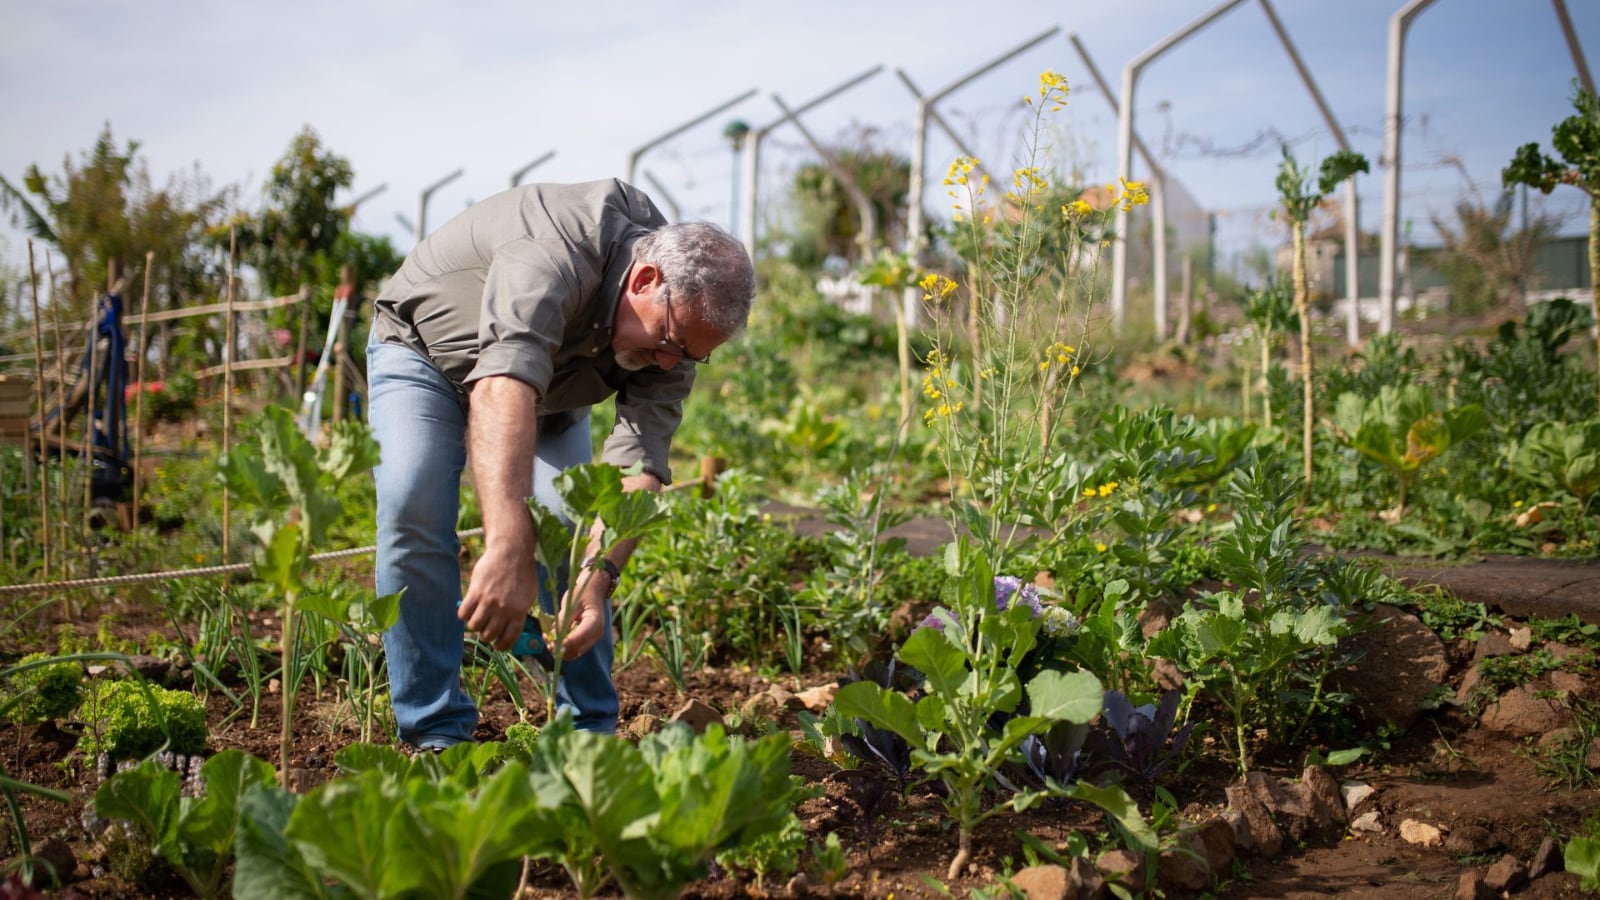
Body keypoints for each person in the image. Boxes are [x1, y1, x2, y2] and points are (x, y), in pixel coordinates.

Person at [366, 179, 755, 748]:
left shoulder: (675, 337)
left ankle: (588, 736)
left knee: (571, 529)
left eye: (691, 354)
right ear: (644, 280)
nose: (671, 362)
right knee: (413, 502)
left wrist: (596, 584)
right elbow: (502, 387)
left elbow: (638, 466)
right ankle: (436, 735)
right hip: (426, 353)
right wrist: (507, 545)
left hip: (551, 391)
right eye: (670, 340)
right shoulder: (555, 249)